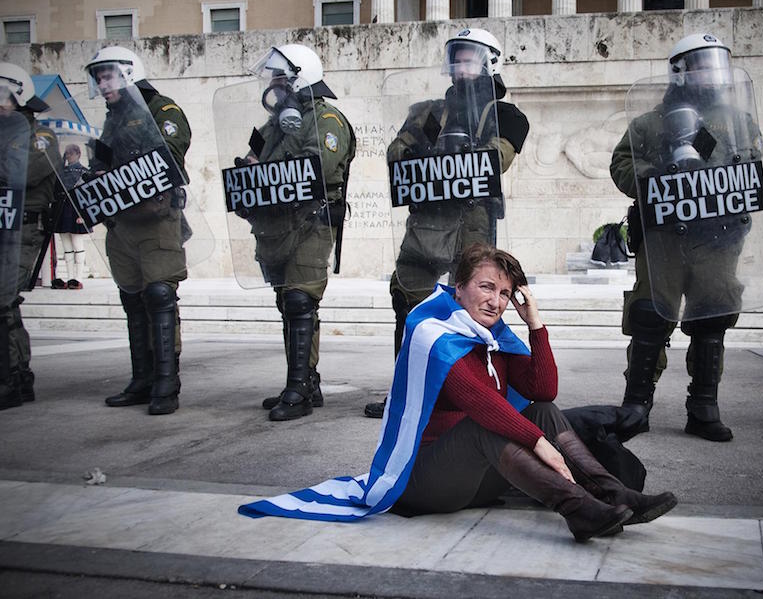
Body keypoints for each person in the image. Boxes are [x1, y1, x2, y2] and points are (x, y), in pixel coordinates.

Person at [239, 244, 677, 543]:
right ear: (459, 287)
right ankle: (578, 508)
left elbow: (544, 389)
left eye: (505, 294)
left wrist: (535, 324)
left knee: (541, 408)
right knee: (483, 426)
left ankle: (612, 493)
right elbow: (482, 406)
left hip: (474, 481)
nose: (497, 302)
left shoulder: (496, 337)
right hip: (424, 482)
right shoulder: (434, 334)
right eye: (487, 287)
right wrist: (542, 445)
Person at [365, 28, 529, 419]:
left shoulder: (505, 114)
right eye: (455, 56)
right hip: (426, 225)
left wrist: (453, 152)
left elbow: (495, 159)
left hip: (473, 229)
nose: (460, 64)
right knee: (408, 303)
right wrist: (431, 148)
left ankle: (467, 393)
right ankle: (405, 392)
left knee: (471, 311)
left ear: (490, 61)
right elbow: (397, 155)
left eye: (469, 56)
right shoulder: (428, 112)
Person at [610, 33, 763, 442]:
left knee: (713, 314)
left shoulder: (737, 122)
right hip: (663, 237)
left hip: (717, 236)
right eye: (698, 65)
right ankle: (636, 404)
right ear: (679, 71)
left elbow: (751, 169)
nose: (709, 73)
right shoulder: (647, 123)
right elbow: (621, 166)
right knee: (650, 315)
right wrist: (656, 173)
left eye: (713, 64)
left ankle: (703, 405)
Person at [238, 44, 355, 421]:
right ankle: (306, 380)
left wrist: (272, 171)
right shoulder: (273, 124)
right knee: (287, 303)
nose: (274, 83)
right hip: (275, 225)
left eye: (280, 75)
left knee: (301, 300)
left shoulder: (326, 119)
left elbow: (317, 165)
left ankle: (298, 390)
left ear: (299, 77)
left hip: (311, 221)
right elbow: (255, 161)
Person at [85, 46, 192, 415]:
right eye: (98, 78)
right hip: (122, 221)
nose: (102, 84)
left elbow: (170, 153)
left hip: (157, 219)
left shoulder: (161, 109)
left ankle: (167, 382)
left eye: (108, 76)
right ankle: (142, 379)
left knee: (160, 295)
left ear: (129, 74)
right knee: (133, 298)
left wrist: (121, 164)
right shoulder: (113, 117)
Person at [0, 62, 61, 410]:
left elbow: (20, 172)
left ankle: (11, 379)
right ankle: (18, 376)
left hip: (23, 229)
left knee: (3, 301)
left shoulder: (41, 136)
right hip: (3, 224)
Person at [50, 144, 90, 290]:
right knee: (67, 247)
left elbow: (88, 196)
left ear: (78, 154)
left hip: (77, 210)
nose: (69, 156)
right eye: (67, 154)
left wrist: (84, 214)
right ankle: (70, 277)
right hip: (63, 209)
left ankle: (78, 278)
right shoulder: (62, 171)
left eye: (71, 154)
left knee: (77, 245)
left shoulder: (84, 172)